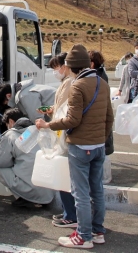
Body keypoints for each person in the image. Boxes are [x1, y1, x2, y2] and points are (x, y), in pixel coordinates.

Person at [36, 44, 113, 249]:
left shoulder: (78, 86)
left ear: (71, 67)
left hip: (80, 146)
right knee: (96, 190)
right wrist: (101, 139)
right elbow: (109, 118)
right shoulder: (102, 82)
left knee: (80, 193)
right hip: (98, 146)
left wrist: (47, 124)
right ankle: (97, 231)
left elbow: (72, 120)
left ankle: (83, 236)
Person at [42, 53, 79, 228]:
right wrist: (52, 109)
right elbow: (61, 107)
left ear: (65, 66)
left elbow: (65, 111)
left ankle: (71, 215)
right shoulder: (66, 82)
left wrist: (48, 124)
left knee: (64, 175)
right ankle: (68, 211)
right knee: (65, 174)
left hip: (63, 133)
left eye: (57, 67)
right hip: (61, 132)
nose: (56, 71)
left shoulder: (71, 82)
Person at [0, 108, 54, 207]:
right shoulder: (40, 131)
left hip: (31, 188)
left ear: (11, 122)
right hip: (49, 189)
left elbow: (1, 162)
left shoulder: (11, 135)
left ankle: (25, 198)